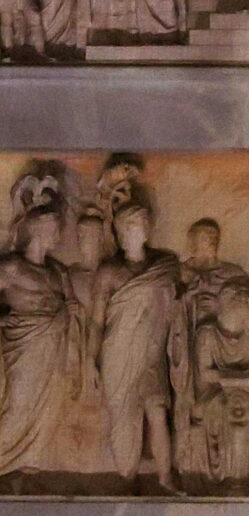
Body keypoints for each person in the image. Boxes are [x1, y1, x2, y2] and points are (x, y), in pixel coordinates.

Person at [89, 199, 185, 487]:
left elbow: (180, 301)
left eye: (143, 223)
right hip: (117, 354)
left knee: (158, 411)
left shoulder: (165, 265)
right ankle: (127, 476)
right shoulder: (109, 271)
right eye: (133, 224)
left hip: (152, 353)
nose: (140, 228)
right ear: (121, 233)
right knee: (124, 418)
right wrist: (90, 361)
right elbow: (96, 322)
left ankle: (166, 477)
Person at [0, 201, 85, 477]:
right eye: (55, 231)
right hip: (23, 348)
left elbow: (71, 306)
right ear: (39, 231)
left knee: (48, 408)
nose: (59, 237)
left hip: (54, 350)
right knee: (17, 407)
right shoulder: (12, 267)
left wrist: (72, 311)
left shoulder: (58, 271)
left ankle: (27, 459)